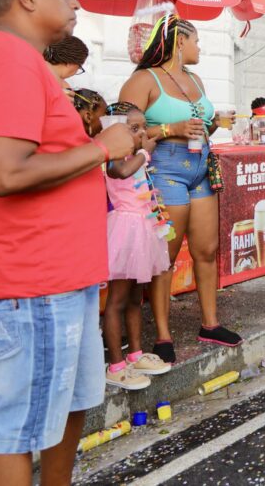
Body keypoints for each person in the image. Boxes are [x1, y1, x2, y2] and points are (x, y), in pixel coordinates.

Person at [0, 0, 134, 485]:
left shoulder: (15, 58)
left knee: (66, 409)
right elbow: (5, 173)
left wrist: (110, 156)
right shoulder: (7, 57)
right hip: (33, 277)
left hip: (59, 273)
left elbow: (43, 159)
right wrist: (102, 150)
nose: (75, 3)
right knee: (20, 427)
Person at [120, 14, 241, 364]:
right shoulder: (143, 80)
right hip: (165, 169)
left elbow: (199, 130)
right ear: (179, 41)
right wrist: (169, 127)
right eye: (196, 40)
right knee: (165, 257)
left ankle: (210, 323)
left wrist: (213, 125)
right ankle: (162, 335)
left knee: (206, 249)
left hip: (200, 167)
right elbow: (126, 133)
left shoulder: (195, 79)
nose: (199, 47)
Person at [101, 102, 173, 390]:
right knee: (116, 301)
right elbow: (121, 173)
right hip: (125, 230)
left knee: (135, 298)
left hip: (143, 227)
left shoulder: (134, 155)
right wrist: (145, 152)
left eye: (144, 127)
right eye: (134, 128)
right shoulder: (113, 156)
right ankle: (116, 365)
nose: (142, 132)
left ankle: (135, 354)